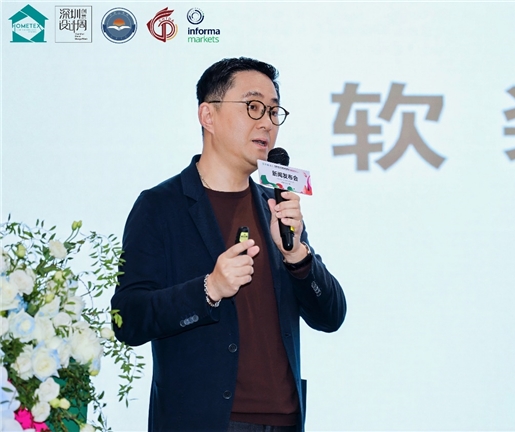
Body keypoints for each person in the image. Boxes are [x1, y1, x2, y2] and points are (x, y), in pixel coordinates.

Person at [111, 57, 347, 432]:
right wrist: (209, 289)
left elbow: (331, 316)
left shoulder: (275, 204)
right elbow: (128, 318)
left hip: (285, 421)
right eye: (253, 106)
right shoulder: (161, 206)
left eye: (274, 111)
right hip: (206, 422)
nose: (266, 122)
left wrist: (297, 256)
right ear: (208, 115)